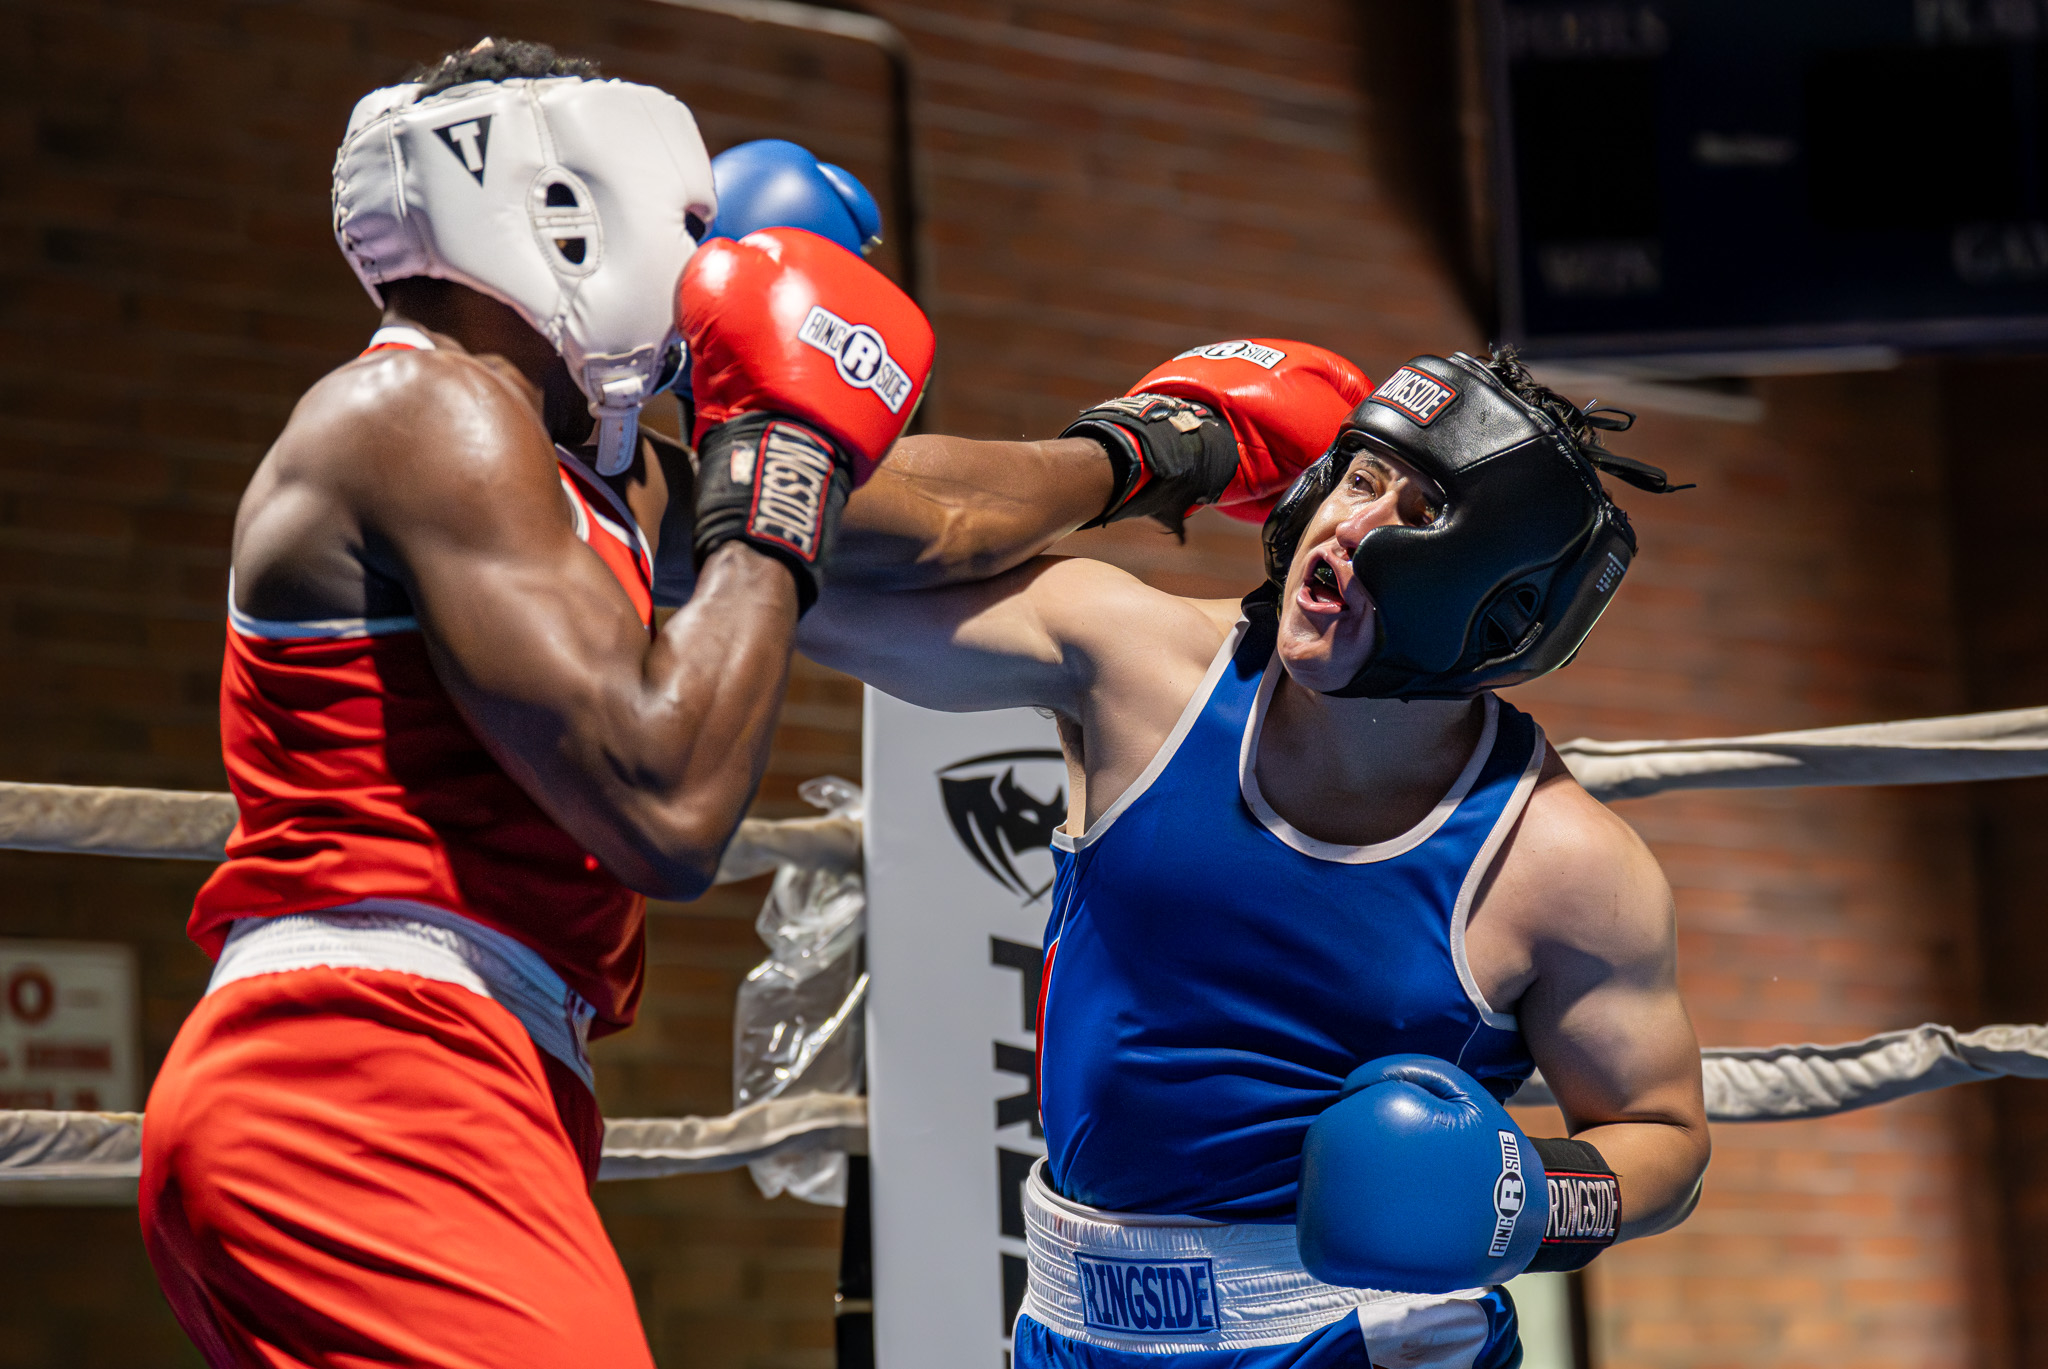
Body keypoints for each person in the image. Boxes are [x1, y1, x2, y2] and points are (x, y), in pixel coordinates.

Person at [137, 39, 934, 1368]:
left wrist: (1158, 445)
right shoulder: (420, 408)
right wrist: (781, 466)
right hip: (364, 1076)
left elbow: (933, 519)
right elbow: (669, 805)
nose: (696, 281)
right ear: (562, 211)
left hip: (440, 1073)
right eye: (685, 234)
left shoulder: (554, 480)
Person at [801, 344, 1712, 1367]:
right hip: (1067, 1323)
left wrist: (1530, 1200)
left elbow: (1660, 1138)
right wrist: (1134, 453)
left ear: (1495, 606)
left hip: (1359, 1337)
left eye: (1414, 512)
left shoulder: (1560, 862)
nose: (1349, 526)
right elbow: (801, 575)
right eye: (1357, 476)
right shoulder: (1139, 669)